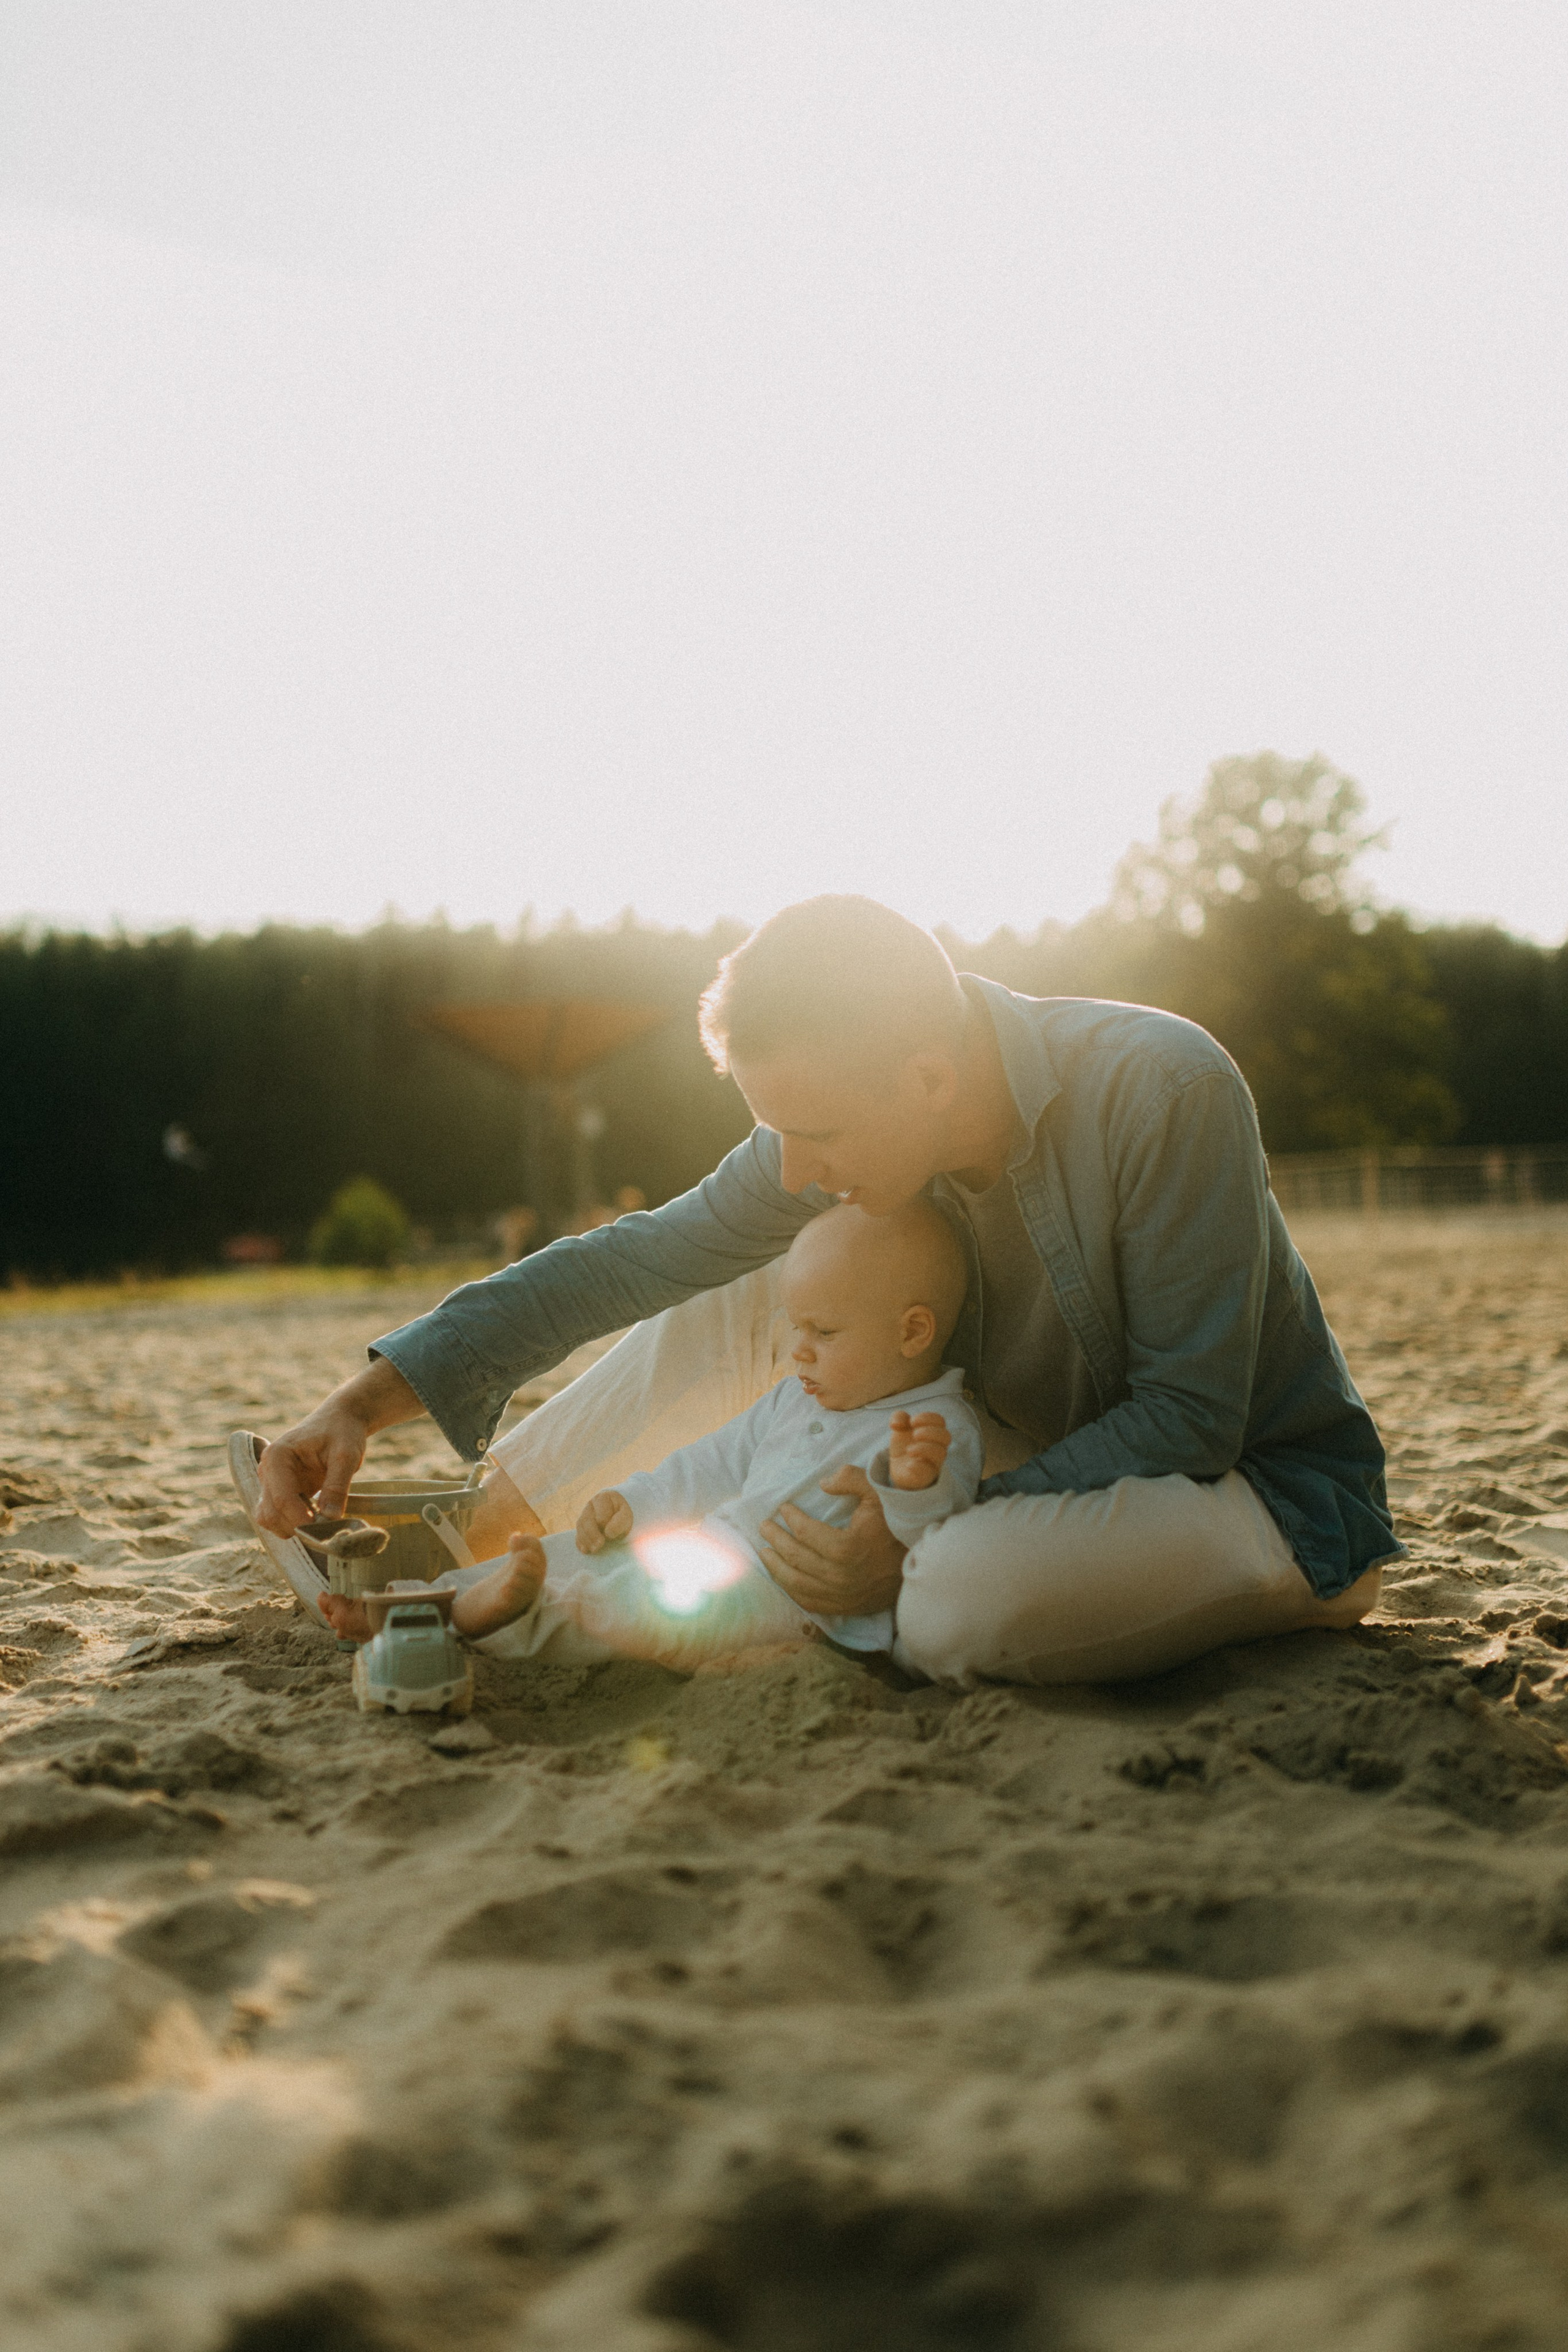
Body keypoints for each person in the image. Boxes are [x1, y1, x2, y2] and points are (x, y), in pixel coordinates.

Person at [257, 895, 1401, 1689]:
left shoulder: (1163, 1090)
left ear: (931, 1076)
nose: (795, 1168)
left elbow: (1191, 1420)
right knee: (755, 1281)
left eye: (813, 1132)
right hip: (984, 1455)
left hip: (1242, 1495)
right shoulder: (852, 1125)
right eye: (775, 1131)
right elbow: (640, 1256)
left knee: (951, 1601)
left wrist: (918, 1529)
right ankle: (497, 1524)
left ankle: (848, 1590)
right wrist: (366, 1401)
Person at [318, 1200, 983, 1670]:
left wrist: (913, 1488)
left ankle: (484, 1620)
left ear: (913, 1332)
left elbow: (932, 1539)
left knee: (615, 1609)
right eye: (796, 1327)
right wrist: (635, 1504)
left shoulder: (933, 1429)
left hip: (785, 1601)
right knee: (580, 1558)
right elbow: (712, 1464)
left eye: (824, 1334)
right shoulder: (796, 1393)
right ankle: (411, 1604)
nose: (798, 1351)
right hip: (718, 1550)